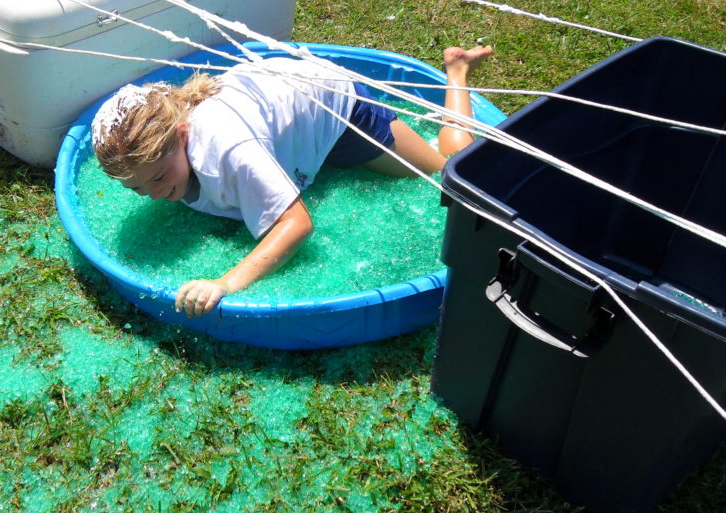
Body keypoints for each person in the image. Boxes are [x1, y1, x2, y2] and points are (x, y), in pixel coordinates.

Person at [91, 45, 493, 318]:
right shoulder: (165, 155)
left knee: (451, 174)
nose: (156, 195)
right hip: (282, 102)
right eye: (138, 188)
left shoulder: (230, 151)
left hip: (333, 105)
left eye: (160, 178)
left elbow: (298, 224)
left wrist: (226, 283)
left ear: (182, 134)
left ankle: (456, 71)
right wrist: (158, 178)